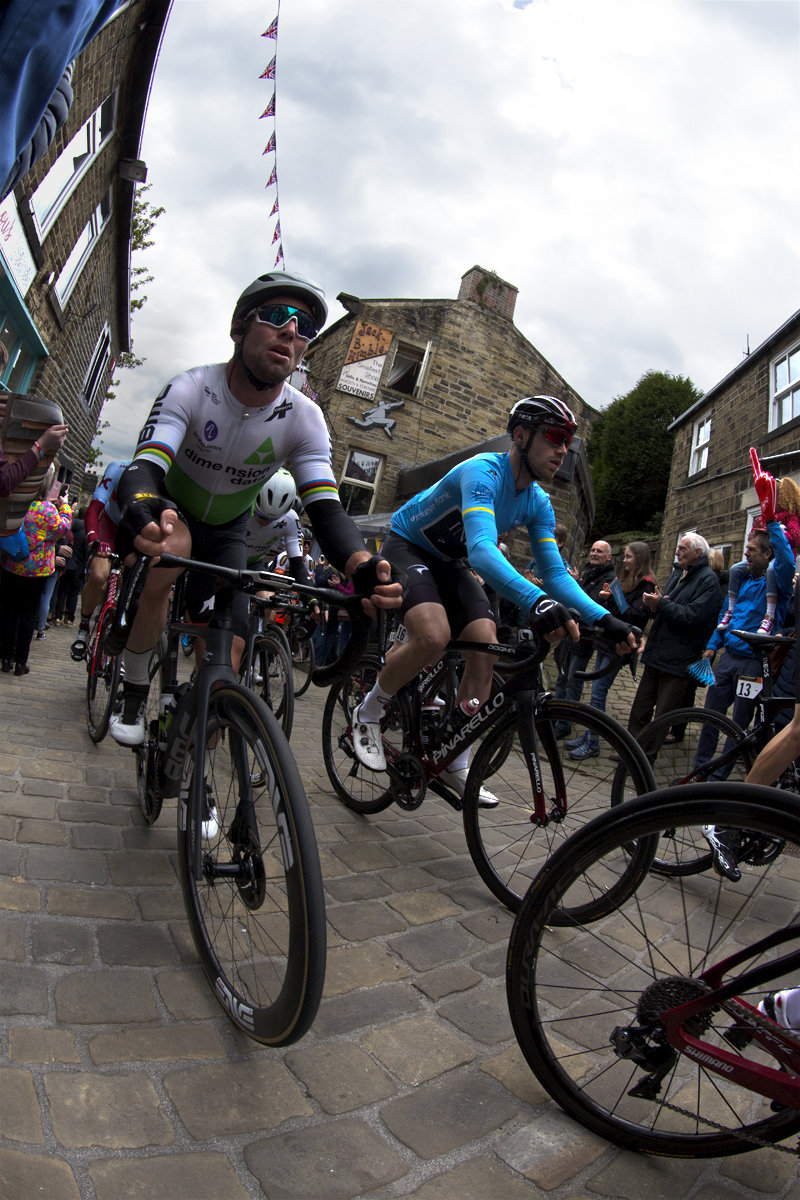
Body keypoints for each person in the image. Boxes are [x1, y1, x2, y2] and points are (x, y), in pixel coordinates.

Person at [108, 270, 401, 745]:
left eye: (304, 326)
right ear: (238, 329)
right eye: (277, 315)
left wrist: (361, 564)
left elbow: (326, 511)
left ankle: (198, 768)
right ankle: (136, 685)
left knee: (228, 657)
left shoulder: (305, 418)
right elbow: (147, 467)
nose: (291, 330)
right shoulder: (191, 387)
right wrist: (141, 502)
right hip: (175, 513)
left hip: (229, 534)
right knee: (169, 543)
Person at [349, 395, 637, 803]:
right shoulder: (483, 471)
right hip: (408, 545)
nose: (562, 449)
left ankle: (456, 761)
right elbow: (483, 551)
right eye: (554, 436)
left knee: (485, 646)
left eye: (568, 441)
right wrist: (537, 602)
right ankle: (369, 711)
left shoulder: (538, 502)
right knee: (433, 636)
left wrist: (605, 620)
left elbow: (554, 573)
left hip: (449, 560)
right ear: (520, 436)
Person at [694, 522, 794, 780]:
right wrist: (713, 644)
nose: (745, 553)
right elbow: (727, 614)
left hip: (754, 665)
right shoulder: (742, 579)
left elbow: (787, 562)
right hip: (728, 660)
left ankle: (719, 777)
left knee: (738, 725)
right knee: (710, 716)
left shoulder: (779, 583)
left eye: (751, 549)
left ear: (767, 554)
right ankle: (701, 768)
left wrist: (773, 526)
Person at [626, 533, 721, 744]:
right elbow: (669, 608)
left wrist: (661, 604)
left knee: (662, 717)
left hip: (678, 660)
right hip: (658, 655)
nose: (677, 552)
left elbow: (692, 617)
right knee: (640, 708)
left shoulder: (707, 580)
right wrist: (655, 606)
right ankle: (630, 752)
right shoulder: (684, 575)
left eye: (683, 548)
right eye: (678, 548)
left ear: (697, 553)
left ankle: (645, 762)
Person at [567, 541, 656, 760]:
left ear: (640, 559)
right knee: (596, 692)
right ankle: (589, 736)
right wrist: (608, 601)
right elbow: (612, 615)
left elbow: (633, 618)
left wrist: (614, 599)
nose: (624, 560)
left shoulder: (646, 585)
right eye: (624, 556)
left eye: (628, 557)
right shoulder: (624, 580)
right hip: (606, 642)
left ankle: (594, 742)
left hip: (620, 647)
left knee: (598, 693)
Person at [0, 465, 70, 674]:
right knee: (28, 614)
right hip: (36, 569)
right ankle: (21, 662)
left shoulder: (18, 502)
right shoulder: (48, 510)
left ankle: (5, 658)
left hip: (11, 563)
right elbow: (62, 528)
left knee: (9, 611)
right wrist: (65, 507)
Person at [717, 478, 800, 635]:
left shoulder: (789, 516)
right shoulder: (766, 515)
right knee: (735, 569)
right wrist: (758, 528)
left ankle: (769, 615)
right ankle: (730, 611)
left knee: (770, 571)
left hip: (778, 559)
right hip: (765, 555)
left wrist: (776, 532)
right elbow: (753, 536)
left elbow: (795, 537)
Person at [552, 539, 616, 739]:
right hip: (571, 634)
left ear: (609, 556)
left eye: (599, 551)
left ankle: (565, 723)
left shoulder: (609, 579)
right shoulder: (589, 574)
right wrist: (578, 582)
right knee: (562, 677)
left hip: (585, 638)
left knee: (573, 680)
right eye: (593, 550)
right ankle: (557, 716)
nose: (594, 553)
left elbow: (589, 606)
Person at [70, 459, 129, 658]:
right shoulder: (118, 468)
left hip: (134, 532)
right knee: (97, 576)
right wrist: (94, 538)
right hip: (109, 526)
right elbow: (94, 509)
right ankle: (84, 627)